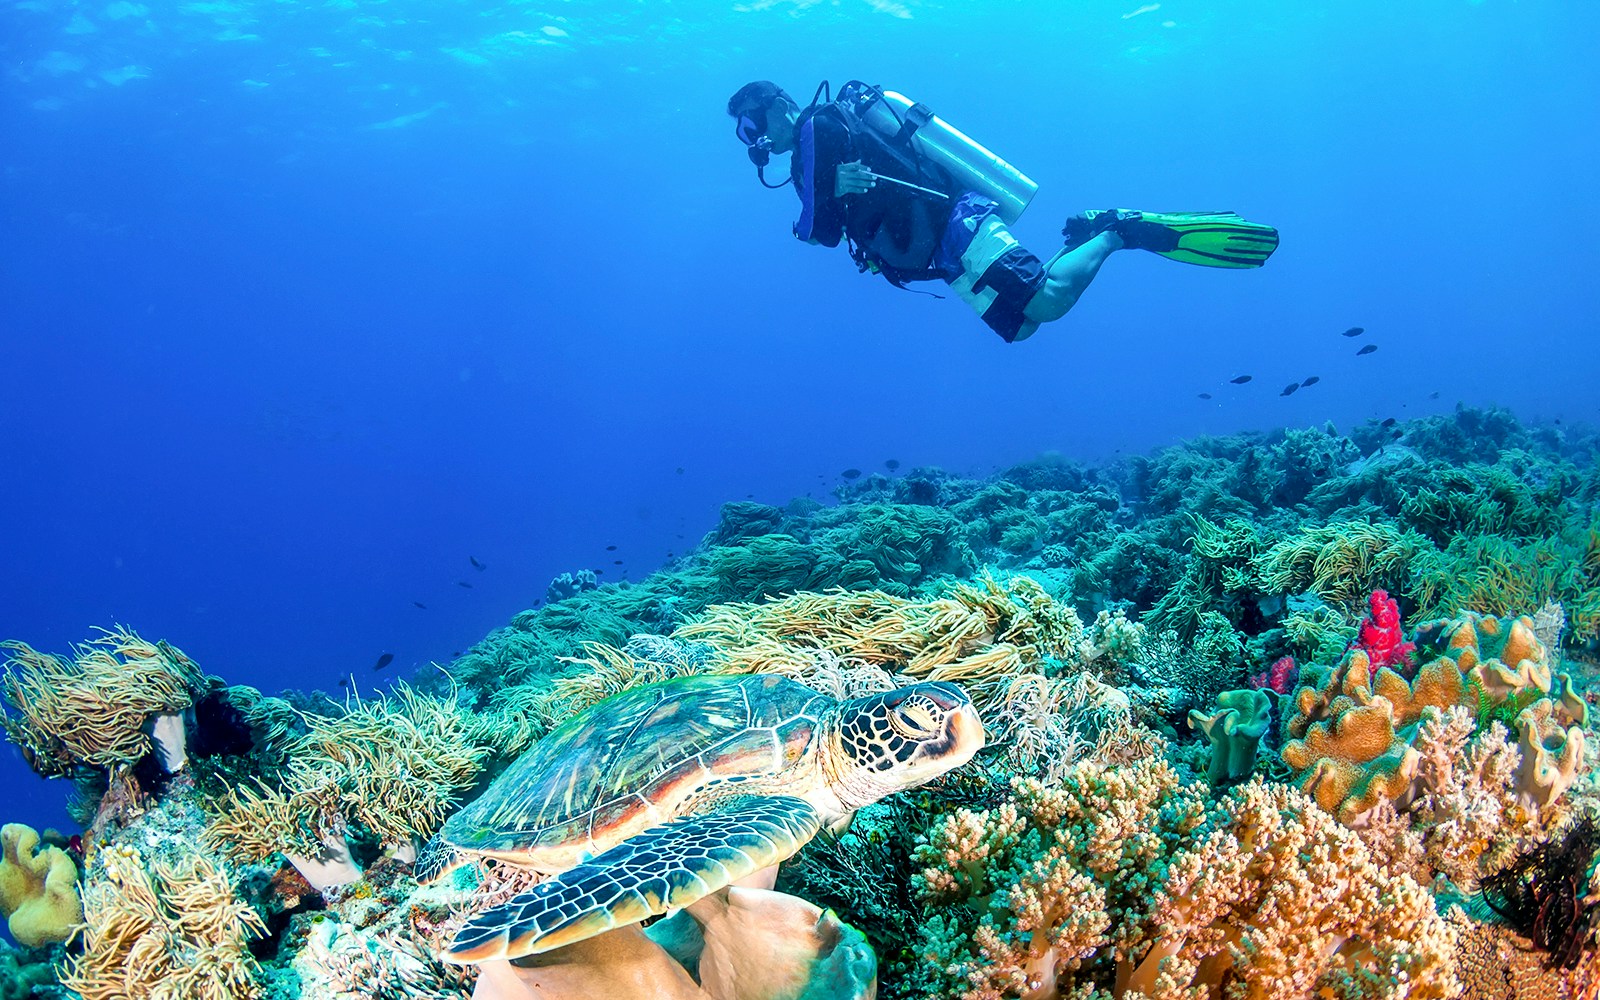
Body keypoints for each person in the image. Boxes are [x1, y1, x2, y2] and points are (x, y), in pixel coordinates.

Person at [727, 80, 1278, 343]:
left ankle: (1115, 232)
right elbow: (830, 222)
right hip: (933, 251)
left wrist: (818, 210)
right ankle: (1086, 234)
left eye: (751, 126)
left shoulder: (815, 127)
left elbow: (817, 231)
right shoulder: (809, 160)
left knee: (1049, 302)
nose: (753, 141)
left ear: (777, 105)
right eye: (744, 135)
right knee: (1025, 326)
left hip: (952, 222)